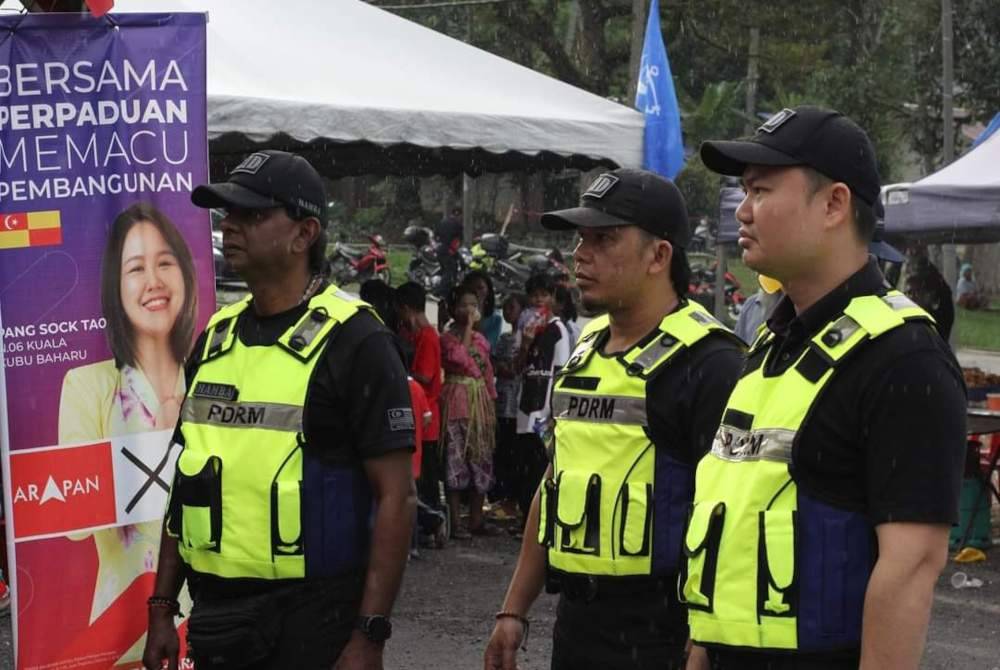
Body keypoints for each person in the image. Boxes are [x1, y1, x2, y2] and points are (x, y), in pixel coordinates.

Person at [684, 106, 966, 669]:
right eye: (744, 191)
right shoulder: (773, 343)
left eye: (761, 190)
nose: (742, 210)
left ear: (835, 204)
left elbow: (910, 568)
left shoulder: (904, 359)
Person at [142, 150, 415, 670]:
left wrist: (370, 635)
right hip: (218, 620)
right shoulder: (216, 337)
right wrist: (161, 607)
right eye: (228, 214)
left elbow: (396, 497)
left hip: (315, 622)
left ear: (304, 233)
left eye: (253, 215)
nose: (231, 227)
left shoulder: (356, 341)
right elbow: (188, 481)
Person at [484, 168, 744, 670]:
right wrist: (514, 608)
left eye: (605, 239)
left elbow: (732, 518)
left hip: (666, 633)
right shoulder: (586, 349)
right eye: (582, 238)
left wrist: (709, 640)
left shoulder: (711, 364)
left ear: (659, 255)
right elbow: (556, 481)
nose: (582, 254)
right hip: (578, 624)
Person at [56, 202, 198, 667]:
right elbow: (73, 521)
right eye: (136, 268)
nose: (154, 280)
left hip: (209, 622)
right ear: (115, 289)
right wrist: (154, 444)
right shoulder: (88, 385)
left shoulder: (212, 375)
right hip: (121, 630)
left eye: (164, 262)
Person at [439, 283, 498, 539]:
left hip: (479, 405)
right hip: (456, 404)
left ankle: (476, 519)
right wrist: (469, 329)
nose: (469, 310)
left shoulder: (482, 341)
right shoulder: (448, 338)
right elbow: (460, 358)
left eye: (473, 305)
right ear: (453, 309)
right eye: (464, 305)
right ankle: (456, 522)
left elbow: (487, 373)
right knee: (455, 461)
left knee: (481, 460)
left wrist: (491, 404)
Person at [511, 273, 570, 525]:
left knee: (540, 467)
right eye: (534, 295)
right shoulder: (524, 327)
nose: (538, 300)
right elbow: (516, 368)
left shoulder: (558, 330)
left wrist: (554, 413)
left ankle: (539, 522)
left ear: (553, 299)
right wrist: (525, 344)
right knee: (523, 465)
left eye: (543, 295)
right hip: (524, 407)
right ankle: (525, 518)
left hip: (544, 411)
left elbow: (561, 371)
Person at [396, 281, 444, 509]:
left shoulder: (427, 336)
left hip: (426, 416)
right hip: (423, 413)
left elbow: (425, 375)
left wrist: (401, 371)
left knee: (426, 475)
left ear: (406, 309)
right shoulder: (421, 335)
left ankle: (433, 517)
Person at [491, 292, 527, 520]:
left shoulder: (527, 339)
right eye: (505, 307)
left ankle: (512, 500)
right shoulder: (504, 338)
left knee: (514, 452)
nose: (507, 312)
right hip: (502, 397)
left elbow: (516, 368)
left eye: (512, 307)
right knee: (502, 449)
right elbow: (495, 363)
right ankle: (502, 499)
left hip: (518, 401)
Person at [904, 251, 955, 341]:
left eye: (917, 292)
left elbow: (946, 293)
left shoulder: (938, 320)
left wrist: (924, 260)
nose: (912, 297)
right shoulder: (903, 320)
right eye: (909, 293)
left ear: (929, 295)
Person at [465, 269, 504, 350]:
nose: (476, 292)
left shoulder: (496, 319)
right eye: (471, 289)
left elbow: (488, 346)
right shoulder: (461, 312)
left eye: (480, 288)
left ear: (488, 291)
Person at [435, 206, 464, 302]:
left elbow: (436, 235)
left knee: (444, 269)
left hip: (440, 249)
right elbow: (458, 240)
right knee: (449, 270)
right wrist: (453, 249)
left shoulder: (442, 222)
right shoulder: (458, 225)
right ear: (459, 214)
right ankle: (441, 291)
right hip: (449, 250)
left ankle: (446, 289)